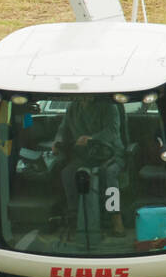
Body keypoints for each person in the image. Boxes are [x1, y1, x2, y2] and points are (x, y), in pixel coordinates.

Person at [51, 95, 125, 236]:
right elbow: (63, 129)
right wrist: (57, 141)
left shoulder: (109, 107)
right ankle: (74, 216)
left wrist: (92, 138)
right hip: (85, 156)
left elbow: (113, 131)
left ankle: (116, 217)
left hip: (111, 154)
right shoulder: (72, 107)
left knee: (110, 174)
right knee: (67, 173)